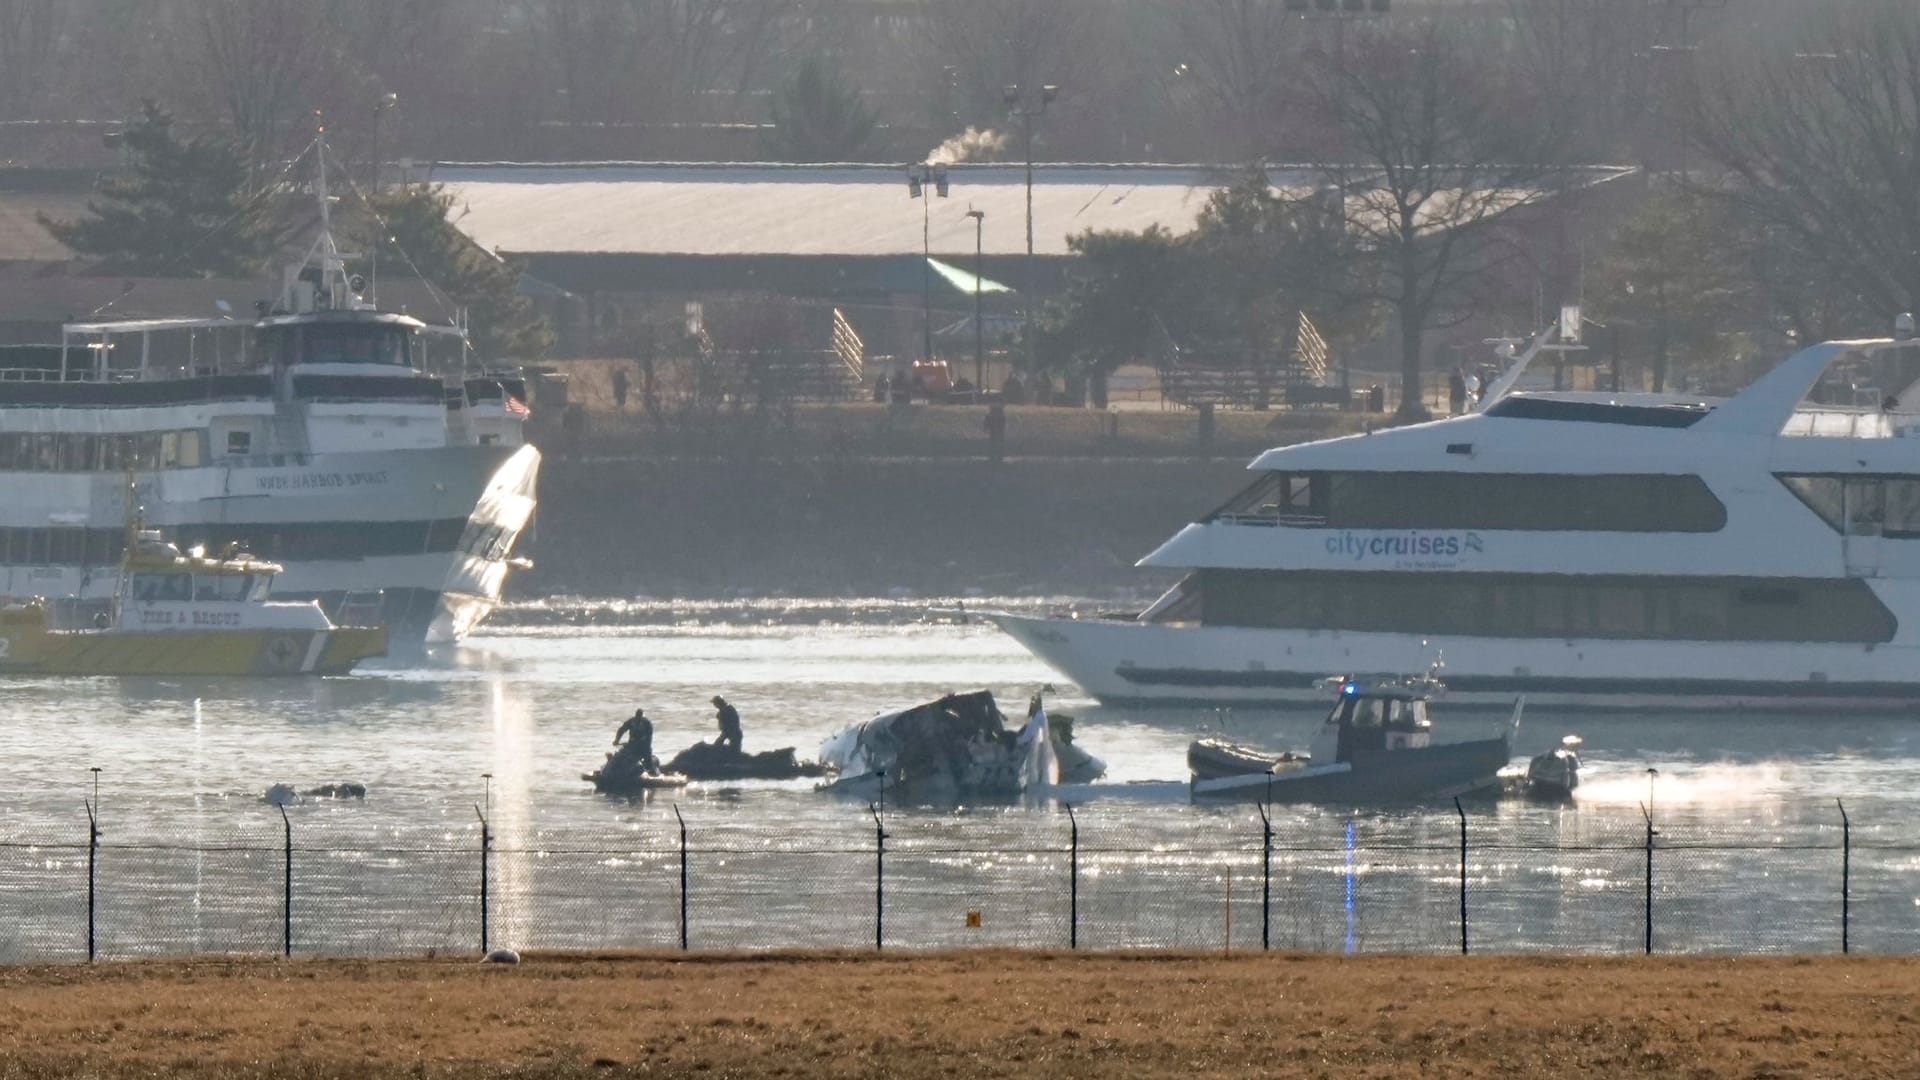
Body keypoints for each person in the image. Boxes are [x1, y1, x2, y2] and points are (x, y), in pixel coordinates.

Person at [613, 708, 657, 772]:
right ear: (635, 716)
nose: (638, 719)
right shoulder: (631, 721)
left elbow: (649, 736)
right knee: (621, 754)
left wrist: (644, 744)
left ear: (642, 716)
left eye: (639, 717)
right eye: (637, 717)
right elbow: (621, 730)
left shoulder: (647, 723)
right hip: (632, 744)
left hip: (643, 746)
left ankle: (651, 770)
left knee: (648, 760)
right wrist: (616, 740)